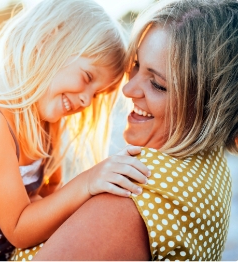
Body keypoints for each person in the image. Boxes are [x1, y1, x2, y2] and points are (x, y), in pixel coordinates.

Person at [0, 0, 152, 260]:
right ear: (46, 42)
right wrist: (89, 181)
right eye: (87, 78)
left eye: (97, 94)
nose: (86, 101)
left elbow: (48, 195)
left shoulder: (46, 123)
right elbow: (20, 228)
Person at [27, 0, 238, 261]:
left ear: (211, 105)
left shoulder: (133, 187)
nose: (127, 90)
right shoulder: (210, 166)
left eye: (158, 85)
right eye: (136, 65)